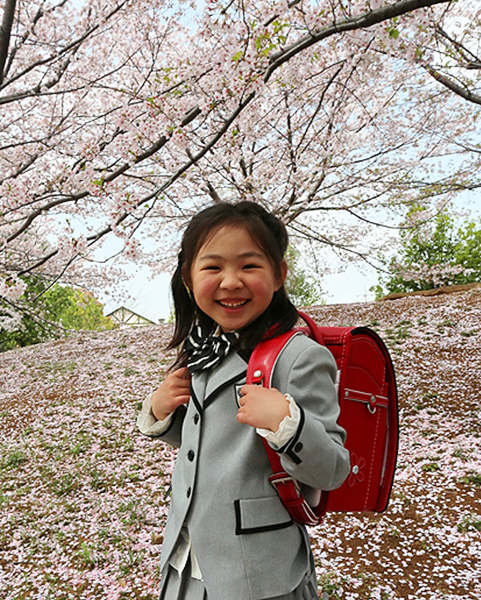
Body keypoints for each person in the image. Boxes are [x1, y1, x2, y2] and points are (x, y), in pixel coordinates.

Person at [137, 200, 350, 600]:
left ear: (279, 274)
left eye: (249, 266)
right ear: (188, 276)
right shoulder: (204, 348)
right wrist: (160, 412)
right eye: (213, 267)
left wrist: (289, 423)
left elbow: (333, 470)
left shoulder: (299, 357)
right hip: (186, 562)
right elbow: (211, 441)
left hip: (259, 575)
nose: (231, 281)